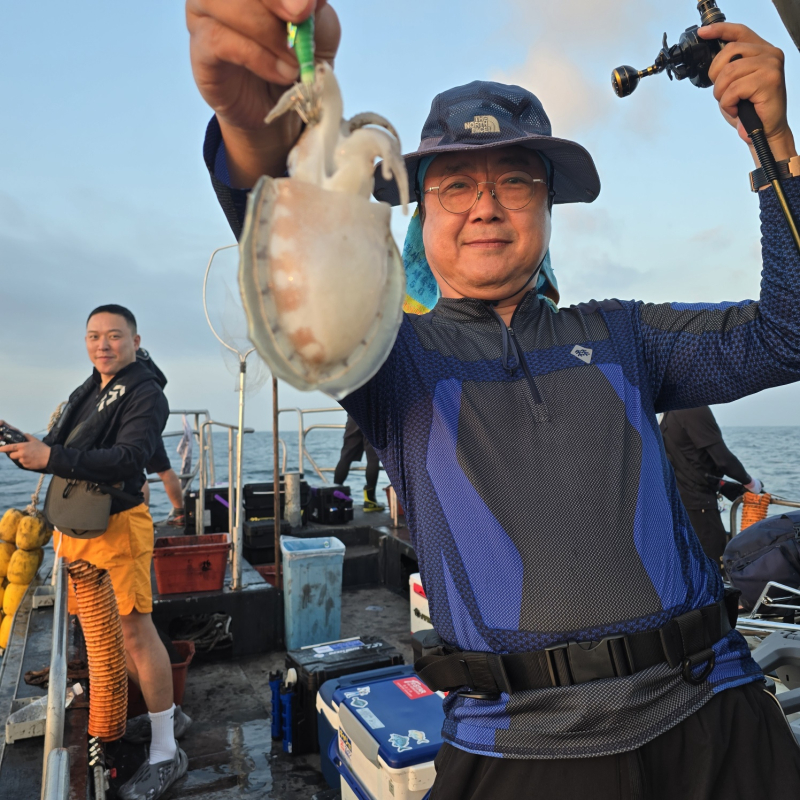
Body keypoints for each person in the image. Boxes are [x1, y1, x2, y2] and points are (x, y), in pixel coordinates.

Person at [187, 3, 800, 796]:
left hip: (715, 713)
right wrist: (250, 126)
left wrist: (773, 144)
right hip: (518, 751)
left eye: (516, 180)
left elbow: (786, 334)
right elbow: (293, 248)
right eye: (454, 186)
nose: (486, 205)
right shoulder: (391, 360)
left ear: (548, 208)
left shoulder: (626, 335)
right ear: (420, 215)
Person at [0, 305, 190, 800]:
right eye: (93, 336)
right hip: (79, 530)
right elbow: (62, 450)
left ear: (134, 339)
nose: (102, 345)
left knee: (133, 631)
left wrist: (52, 456)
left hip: (117, 528)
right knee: (102, 631)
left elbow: (128, 459)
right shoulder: (92, 391)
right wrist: (31, 448)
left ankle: (168, 750)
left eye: (113, 336)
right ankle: (156, 712)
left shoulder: (145, 394)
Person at [660, 406, 763, 568]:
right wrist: (752, 483)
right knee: (714, 565)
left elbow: (687, 464)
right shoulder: (694, 408)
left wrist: (720, 485)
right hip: (699, 507)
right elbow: (723, 460)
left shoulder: (670, 412)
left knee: (691, 566)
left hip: (679, 504)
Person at [136, 348, 187, 526]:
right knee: (164, 469)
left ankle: (142, 521)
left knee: (135, 473)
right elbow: (162, 379)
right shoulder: (144, 355)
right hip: (152, 422)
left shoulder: (126, 360)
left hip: (135, 423)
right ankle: (180, 513)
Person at [333, 414, 385, 511]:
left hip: (353, 415)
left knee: (345, 457)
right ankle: (370, 500)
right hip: (373, 416)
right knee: (373, 459)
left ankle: (334, 496)